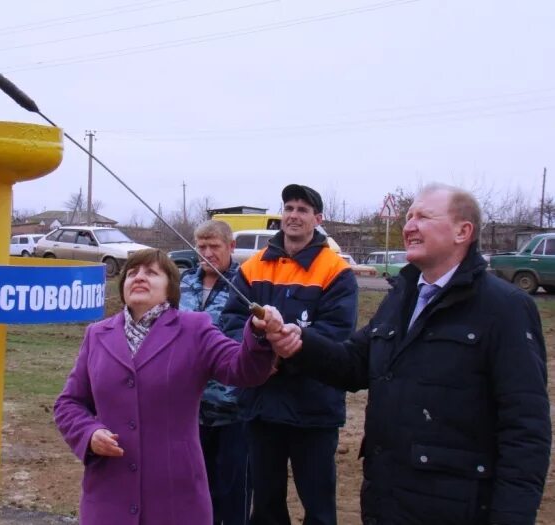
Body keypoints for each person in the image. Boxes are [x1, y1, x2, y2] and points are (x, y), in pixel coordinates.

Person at [265, 183, 551, 525]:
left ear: (463, 231)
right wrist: (301, 343)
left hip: (456, 507)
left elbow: (525, 429)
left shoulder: (505, 308)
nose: (409, 225)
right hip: (388, 498)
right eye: (409, 216)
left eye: (424, 217)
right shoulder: (404, 297)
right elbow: (355, 364)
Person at [54, 248, 282, 525]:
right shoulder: (96, 335)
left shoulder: (195, 328)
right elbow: (69, 404)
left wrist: (257, 333)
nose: (139, 277)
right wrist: (88, 434)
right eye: (133, 272)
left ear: (170, 288)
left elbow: (243, 369)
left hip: (176, 499)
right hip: (108, 497)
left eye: (151, 273)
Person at [221, 184, 359, 525]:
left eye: (302, 209)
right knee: (265, 506)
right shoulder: (253, 267)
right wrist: (260, 352)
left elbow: (337, 332)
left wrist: (289, 351)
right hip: (261, 406)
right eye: (289, 208)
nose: (294, 215)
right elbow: (230, 323)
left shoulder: (335, 270)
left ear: (317, 218)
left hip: (313, 407)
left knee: (319, 506)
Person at [179, 220, 251, 525]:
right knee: (195, 491)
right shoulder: (183, 282)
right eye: (202, 246)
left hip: (233, 409)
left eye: (214, 247)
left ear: (231, 247)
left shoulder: (246, 285)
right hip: (190, 409)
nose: (207, 253)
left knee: (232, 494)